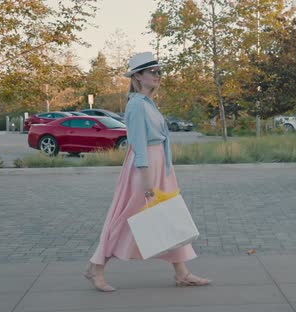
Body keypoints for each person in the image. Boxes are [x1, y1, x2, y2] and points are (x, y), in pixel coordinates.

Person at [85, 52, 211, 292]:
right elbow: (138, 144)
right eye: (152, 72)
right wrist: (146, 181)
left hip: (159, 165)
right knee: (126, 218)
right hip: (145, 168)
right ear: (138, 76)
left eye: (159, 72)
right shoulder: (136, 105)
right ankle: (96, 267)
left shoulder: (146, 103)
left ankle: (182, 273)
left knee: (168, 215)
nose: (158, 76)